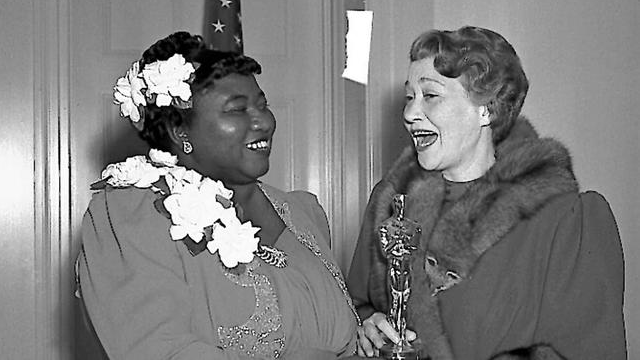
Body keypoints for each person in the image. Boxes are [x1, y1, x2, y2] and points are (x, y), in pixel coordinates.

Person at [76, 31, 360, 360]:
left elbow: (335, 336)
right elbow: (159, 350)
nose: (264, 121)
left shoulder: (303, 211)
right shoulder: (130, 215)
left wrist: (367, 336)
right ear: (180, 132)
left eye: (262, 105)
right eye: (237, 110)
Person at [347, 26, 627, 359]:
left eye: (430, 96)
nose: (409, 114)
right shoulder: (392, 204)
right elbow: (356, 306)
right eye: (410, 97)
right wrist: (367, 326)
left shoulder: (563, 220)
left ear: (487, 109)